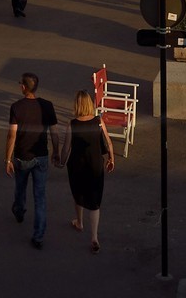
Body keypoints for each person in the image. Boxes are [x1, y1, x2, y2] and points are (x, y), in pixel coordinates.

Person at [52, 90, 115, 253]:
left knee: (78, 192)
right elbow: (108, 143)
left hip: (77, 165)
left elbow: (66, 148)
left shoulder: (72, 124)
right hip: (95, 164)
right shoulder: (99, 121)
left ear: (77, 105)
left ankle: (79, 222)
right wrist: (111, 159)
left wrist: (60, 162)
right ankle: (94, 237)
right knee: (94, 202)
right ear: (90, 104)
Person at [4, 72, 57, 249]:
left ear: (23, 87)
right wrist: (55, 152)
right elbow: (54, 133)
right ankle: (39, 236)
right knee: (40, 197)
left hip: (22, 156)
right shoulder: (47, 106)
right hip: (41, 156)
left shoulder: (16, 107)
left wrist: (7, 159)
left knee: (20, 188)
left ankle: (19, 211)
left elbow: (12, 135)